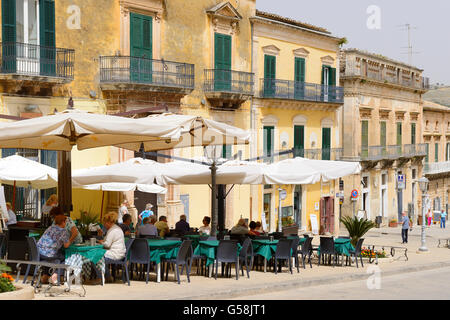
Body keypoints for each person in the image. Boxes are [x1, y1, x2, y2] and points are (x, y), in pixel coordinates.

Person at [37, 214, 72, 284]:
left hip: (39, 253)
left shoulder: (50, 228)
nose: (66, 224)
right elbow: (66, 245)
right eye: (65, 222)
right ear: (62, 222)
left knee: (53, 257)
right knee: (66, 258)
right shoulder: (63, 231)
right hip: (49, 255)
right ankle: (55, 275)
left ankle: (45, 276)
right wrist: (71, 240)